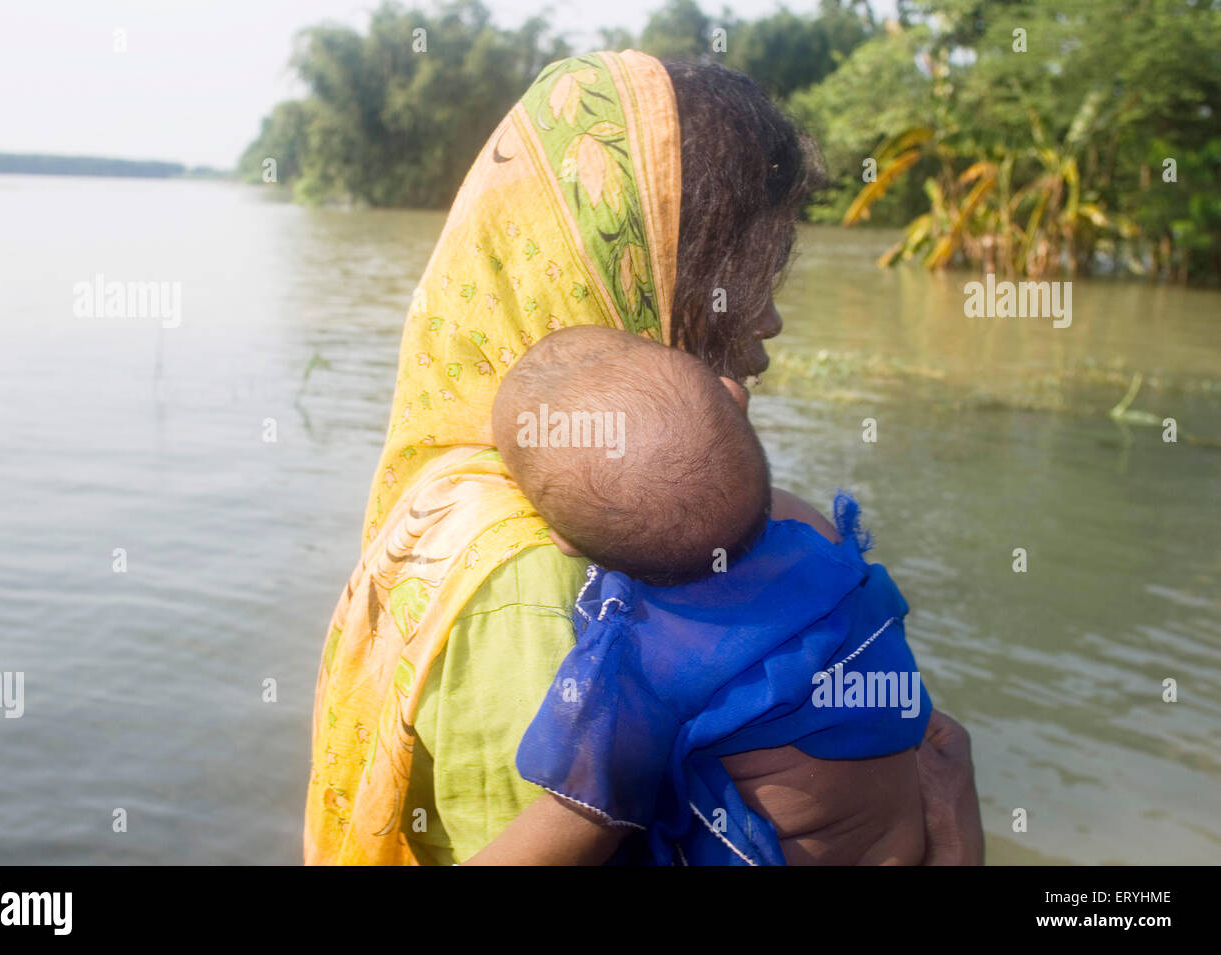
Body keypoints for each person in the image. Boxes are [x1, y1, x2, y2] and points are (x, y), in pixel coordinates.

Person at [304, 50, 983, 866]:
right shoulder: (539, 585)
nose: (767, 320)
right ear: (629, 275)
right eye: (738, 275)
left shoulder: (579, 504)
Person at [466, 325, 927, 865]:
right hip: (906, 836)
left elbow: (576, 822)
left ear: (562, 543)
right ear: (737, 397)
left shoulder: (639, 660)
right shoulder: (812, 530)